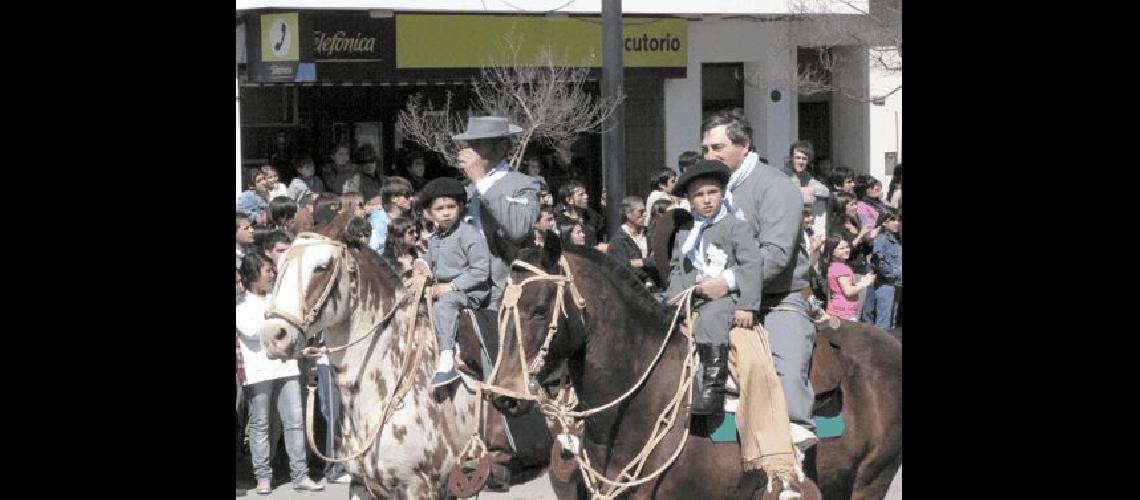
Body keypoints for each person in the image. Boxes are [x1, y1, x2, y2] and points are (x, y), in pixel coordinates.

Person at [700, 109, 819, 466]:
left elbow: (777, 254)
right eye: (705, 148)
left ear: (744, 144)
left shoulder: (776, 186)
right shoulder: (714, 190)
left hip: (780, 297)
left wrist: (729, 281)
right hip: (722, 298)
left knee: (786, 364)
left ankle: (794, 447)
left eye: (717, 147)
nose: (709, 156)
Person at [664, 160, 761, 416]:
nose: (706, 200)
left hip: (725, 298)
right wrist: (674, 300)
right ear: (689, 200)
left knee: (711, 319)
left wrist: (747, 305)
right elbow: (677, 268)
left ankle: (713, 387)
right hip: (691, 298)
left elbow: (750, 265)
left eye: (712, 193)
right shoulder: (685, 232)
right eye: (699, 195)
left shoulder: (735, 225)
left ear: (722, 194)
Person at [237, 253, 324, 495]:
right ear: (253, 274)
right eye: (266, 270)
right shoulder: (240, 303)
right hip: (258, 371)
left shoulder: (278, 298)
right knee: (261, 424)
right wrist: (277, 322)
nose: (271, 274)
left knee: (295, 422)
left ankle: (300, 474)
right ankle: (263, 476)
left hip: (287, 367)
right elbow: (252, 331)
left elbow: (293, 326)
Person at [451, 116, 541, 311]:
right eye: (468, 144)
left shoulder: (524, 184)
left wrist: (481, 180)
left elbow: (518, 228)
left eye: (477, 144)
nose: (469, 151)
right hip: (463, 289)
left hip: (504, 293)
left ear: (501, 147)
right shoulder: (465, 189)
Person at [411, 177, 492, 386]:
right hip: (442, 289)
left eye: (451, 207)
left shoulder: (469, 235)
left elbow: (480, 271)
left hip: (471, 292)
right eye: (439, 209)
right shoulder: (437, 238)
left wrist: (450, 287)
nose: (446, 212)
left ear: (460, 208)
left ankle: (447, 359)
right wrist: (420, 264)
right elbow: (429, 259)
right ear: (430, 213)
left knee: (446, 303)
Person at [819, 234, 875, 321]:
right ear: (833, 252)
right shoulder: (840, 268)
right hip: (843, 314)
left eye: (847, 247)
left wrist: (862, 281)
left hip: (838, 311)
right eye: (842, 248)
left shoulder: (836, 266)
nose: (847, 250)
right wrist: (864, 283)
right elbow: (848, 291)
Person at [608, 196, 657, 288]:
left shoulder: (649, 233)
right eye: (641, 211)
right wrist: (646, 275)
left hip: (657, 289)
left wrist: (641, 262)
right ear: (628, 214)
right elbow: (623, 268)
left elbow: (660, 260)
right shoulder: (618, 241)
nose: (645, 214)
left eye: (645, 211)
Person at [783, 141, 829, 238]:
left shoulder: (806, 176)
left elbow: (825, 191)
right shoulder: (782, 175)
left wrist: (812, 190)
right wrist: (801, 192)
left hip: (804, 224)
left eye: (804, 159)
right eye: (798, 158)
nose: (801, 162)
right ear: (791, 158)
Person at [869, 208, 902, 329]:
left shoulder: (897, 239)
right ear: (884, 222)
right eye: (892, 220)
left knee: (892, 321)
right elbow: (879, 262)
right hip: (886, 285)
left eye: (898, 220)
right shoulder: (882, 239)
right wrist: (896, 273)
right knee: (883, 322)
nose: (897, 223)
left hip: (896, 284)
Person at [367, 177, 414, 254]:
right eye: (407, 195)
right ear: (394, 198)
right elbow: (374, 251)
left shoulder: (407, 217)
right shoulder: (377, 221)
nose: (411, 199)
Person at [554, 180, 604, 250]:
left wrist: (604, 208)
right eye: (581, 194)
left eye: (585, 193)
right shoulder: (559, 220)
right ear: (569, 199)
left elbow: (604, 228)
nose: (586, 196)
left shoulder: (591, 215)